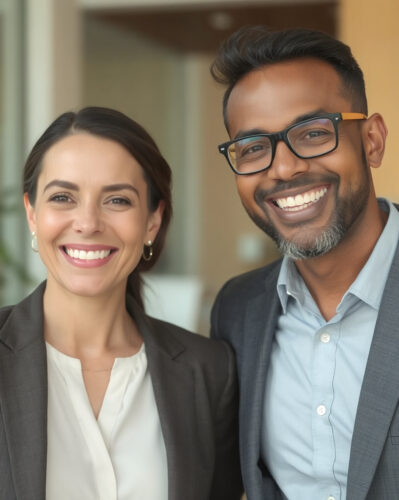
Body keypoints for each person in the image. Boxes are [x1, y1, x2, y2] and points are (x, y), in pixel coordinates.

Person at [0, 106, 242, 500]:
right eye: (62, 197)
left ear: (152, 221)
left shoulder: (209, 372)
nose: (88, 222)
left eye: (117, 201)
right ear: (32, 213)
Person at [210, 26, 398, 500]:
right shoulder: (237, 309)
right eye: (253, 148)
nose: (284, 168)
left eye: (314, 133)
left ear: (372, 141)